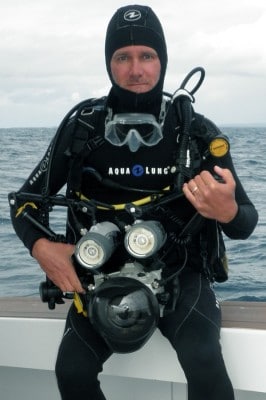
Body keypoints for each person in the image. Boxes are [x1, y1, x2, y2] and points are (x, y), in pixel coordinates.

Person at [9, 4, 258, 400]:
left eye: (147, 56)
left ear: (162, 61)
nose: (136, 69)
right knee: (71, 371)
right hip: (97, 279)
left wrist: (225, 211)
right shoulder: (82, 128)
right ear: (109, 63)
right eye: (122, 57)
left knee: (204, 359)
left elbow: (245, 221)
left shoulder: (194, 133)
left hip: (181, 275)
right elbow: (22, 204)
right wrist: (43, 249)